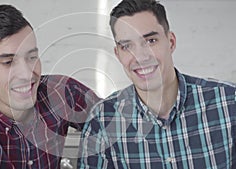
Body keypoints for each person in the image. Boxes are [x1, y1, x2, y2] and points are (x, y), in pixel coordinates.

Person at [0, 4, 100, 169]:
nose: (26, 73)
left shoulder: (61, 92)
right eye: (8, 62)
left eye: (32, 57)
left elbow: (118, 124)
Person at [78, 0, 236, 168]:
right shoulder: (103, 119)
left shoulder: (228, 102)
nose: (141, 57)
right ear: (118, 54)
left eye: (151, 41)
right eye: (126, 46)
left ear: (171, 42)